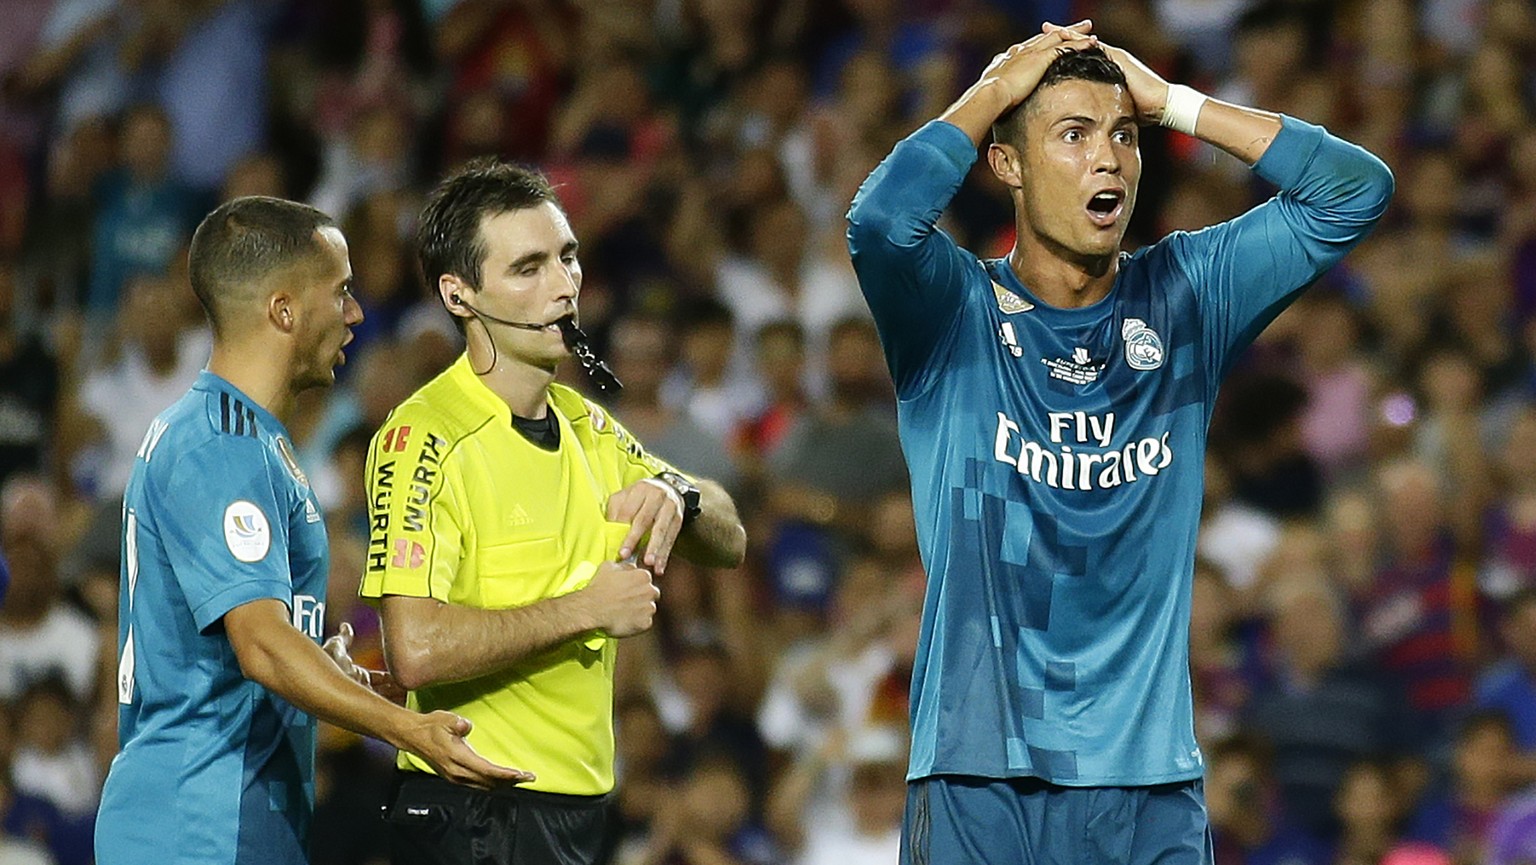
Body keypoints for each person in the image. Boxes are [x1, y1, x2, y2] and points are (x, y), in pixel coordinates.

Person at [844, 19, 1393, 865]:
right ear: (1009, 167)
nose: (1109, 159)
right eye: (1073, 135)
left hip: (1149, 788)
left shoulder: (1186, 296)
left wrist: (1174, 100)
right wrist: (995, 88)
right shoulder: (954, 312)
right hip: (978, 776)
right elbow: (880, 223)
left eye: (1124, 136)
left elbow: (1354, 189)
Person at [94, 196, 532, 865]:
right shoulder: (219, 446)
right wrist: (409, 730)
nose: (355, 313)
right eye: (342, 292)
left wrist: (336, 674)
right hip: (199, 823)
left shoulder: (250, 441)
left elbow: (239, 645)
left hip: (239, 815)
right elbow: (261, 646)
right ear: (283, 309)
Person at [362, 160, 747, 865]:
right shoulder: (425, 437)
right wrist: (585, 608)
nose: (563, 287)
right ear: (460, 294)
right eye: (528, 268)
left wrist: (676, 493)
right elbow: (413, 650)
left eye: (567, 258)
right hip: (476, 813)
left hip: (578, 809)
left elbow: (729, 537)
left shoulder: (589, 425)